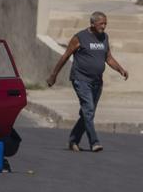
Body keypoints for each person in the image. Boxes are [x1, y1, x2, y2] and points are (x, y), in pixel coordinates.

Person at [47, 11, 129, 153]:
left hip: (97, 82)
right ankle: (94, 142)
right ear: (92, 24)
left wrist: (120, 69)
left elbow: (108, 57)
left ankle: (73, 140)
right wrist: (53, 75)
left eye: (105, 24)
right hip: (81, 79)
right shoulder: (79, 38)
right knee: (89, 110)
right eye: (101, 23)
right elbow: (65, 56)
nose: (104, 26)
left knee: (87, 113)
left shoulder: (104, 37)